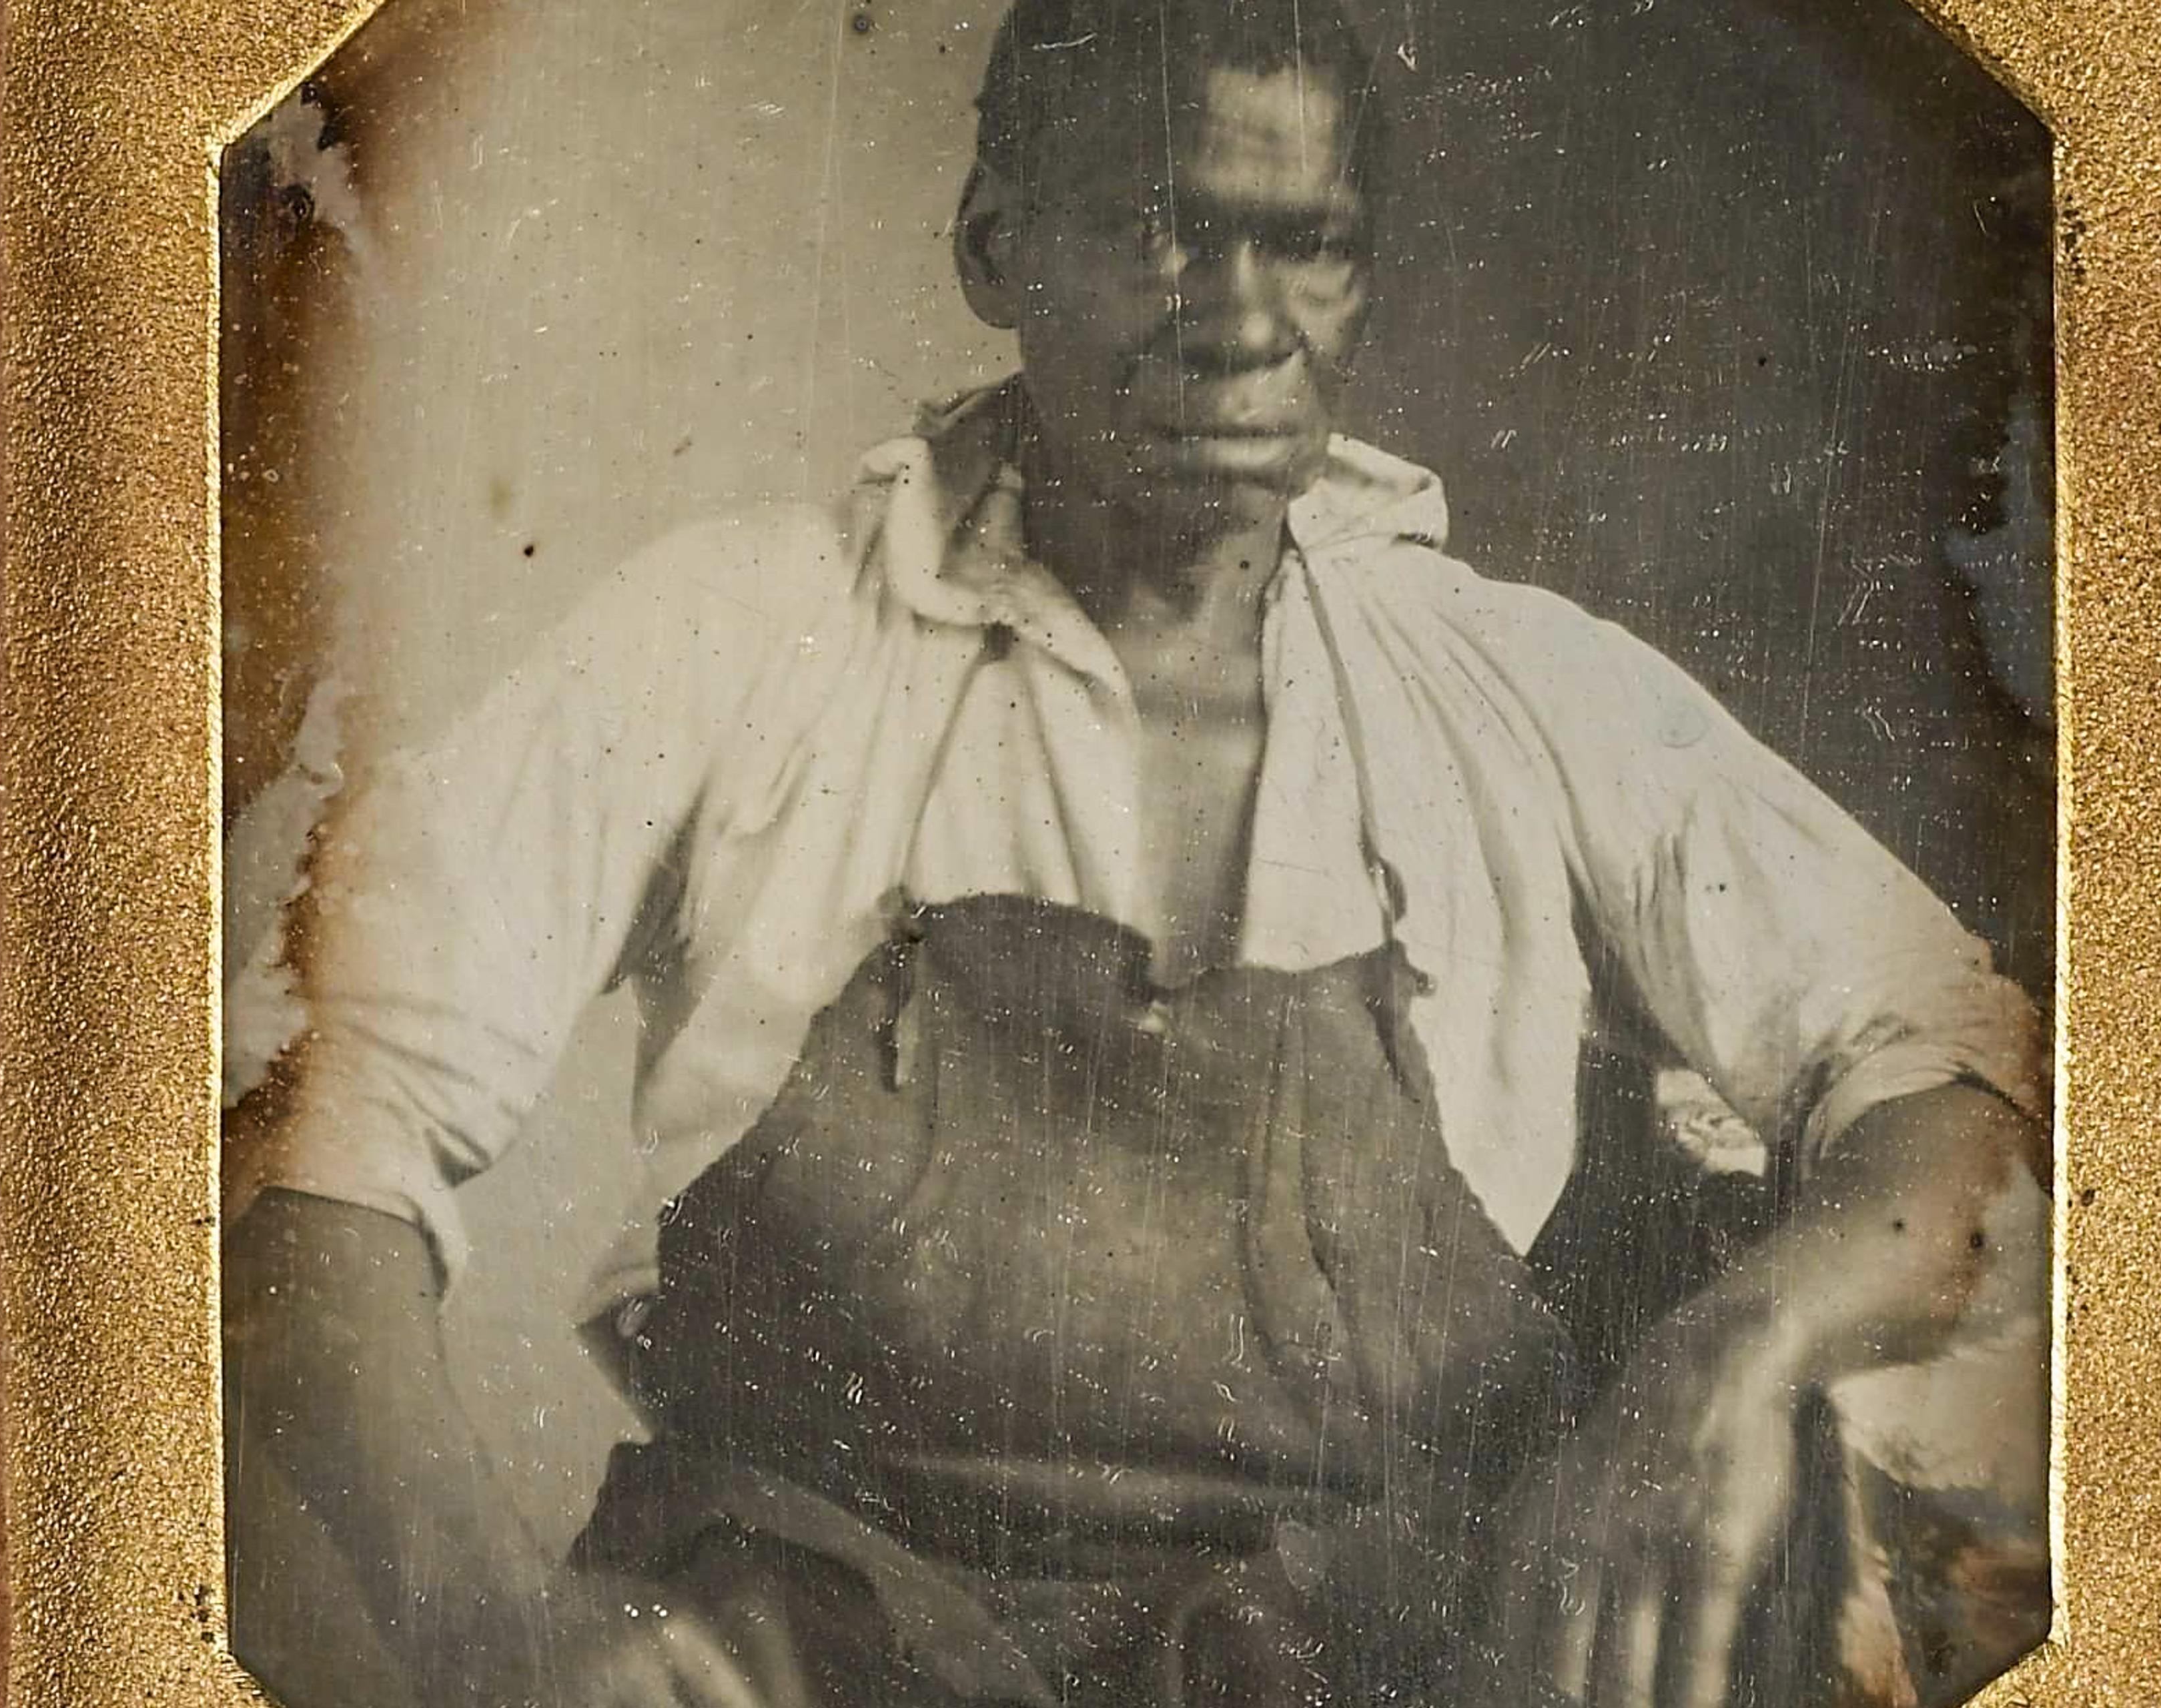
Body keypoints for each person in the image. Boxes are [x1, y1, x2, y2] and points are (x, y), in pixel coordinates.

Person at [223, 1, 2052, 1704]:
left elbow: (1950, 1067)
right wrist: (494, 1629)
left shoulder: (1513, 688)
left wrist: (1727, 1355)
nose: (1241, 318)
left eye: (1306, 244)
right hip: (814, 1653)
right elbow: (303, 1123)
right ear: (996, 249)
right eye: (1166, 230)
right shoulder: (743, 639)